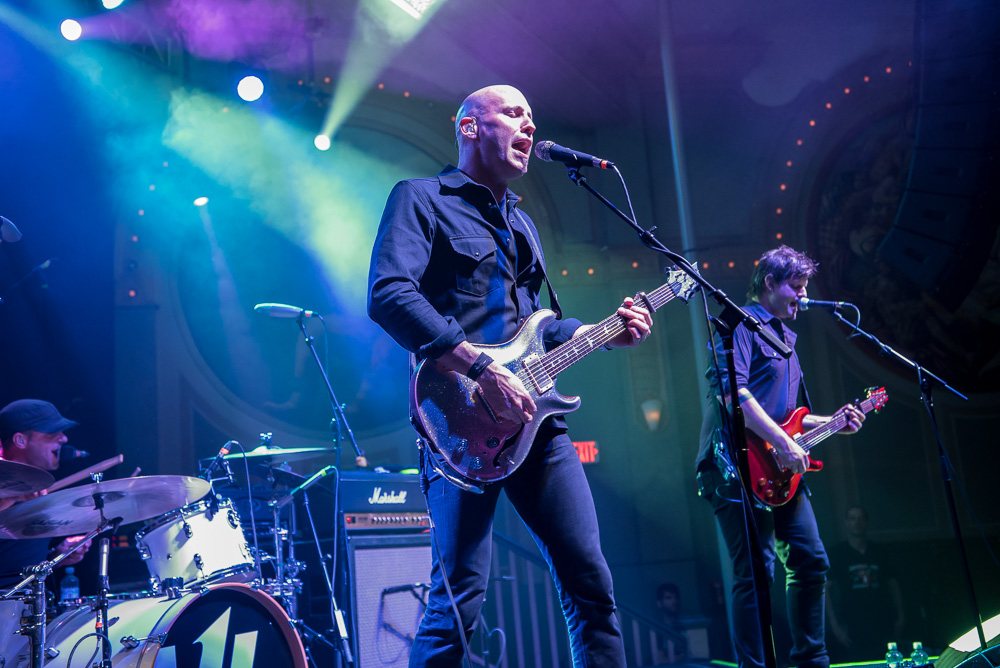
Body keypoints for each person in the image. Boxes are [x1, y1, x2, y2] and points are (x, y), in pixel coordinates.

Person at [368, 84, 653, 667]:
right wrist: (478, 367)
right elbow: (388, 294)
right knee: (459, 605)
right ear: (470, 127)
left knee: (591, 585)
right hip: (457, 422)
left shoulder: (523, 225)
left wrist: (598, 331)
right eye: (514, 113)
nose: (528, 126)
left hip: (536, 426)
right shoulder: (421, 198)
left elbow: (538, 325)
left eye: (532, 117)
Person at [694, 246, 866, 668]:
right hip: (733, 465)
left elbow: (792, 418)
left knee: (811, 560)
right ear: (768, 283)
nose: (802, 296)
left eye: (805, 287)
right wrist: (783, 442)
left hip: (778, 468)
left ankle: (812, 660)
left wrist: (834, 421)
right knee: (756, 572)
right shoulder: (741, 325)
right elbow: (732, 394)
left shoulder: (787, 338)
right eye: (796, 286)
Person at [0, 399, 91, 589]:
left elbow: (14, 568)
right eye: (51, 432)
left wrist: (57, 556)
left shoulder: (38, 487)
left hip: (25, 610)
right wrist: (11, 498)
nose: (64, 438)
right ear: (20, 440)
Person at [826, 505, 905, 662]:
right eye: (853, 518)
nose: (857, 522)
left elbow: (893, 585)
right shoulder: (837, 554)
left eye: (861, 518)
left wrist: (901, 616)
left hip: (882, 623)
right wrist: (834, 625)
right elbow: (826, 590)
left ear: (867, 522)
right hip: (852, 626)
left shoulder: (880, 552)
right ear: (846, 522)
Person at [654, 582, 689, 664]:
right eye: (668, 598)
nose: (674, 601)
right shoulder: (657, 630)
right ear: (659, 603)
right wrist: (683, 657)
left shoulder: (685, 626)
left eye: (676, 597)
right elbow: (660, 660)